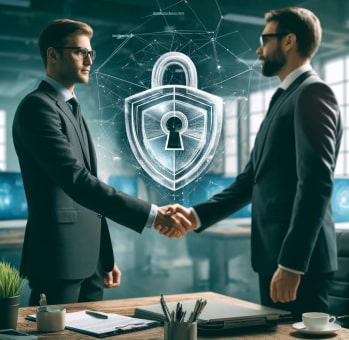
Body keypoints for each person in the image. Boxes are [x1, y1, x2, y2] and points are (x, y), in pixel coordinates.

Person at [158, 7, 343, 319]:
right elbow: (250, 181)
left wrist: (292, 263)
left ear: (289, 42)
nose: (258, 49)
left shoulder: (313, 93)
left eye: (265, 39)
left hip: (298, 262)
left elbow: (316, 184)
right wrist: (195, 215)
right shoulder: (284, 97)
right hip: (275, 257)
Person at [12, 18, 191, 306]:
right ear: (53, 55)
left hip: (89, 261)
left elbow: (89, 191)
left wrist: (104, 257)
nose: (89, 60)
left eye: (90, 53)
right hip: (58, 260)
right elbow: (77, 181)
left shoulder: (72, 108)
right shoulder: (38, 108)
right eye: (79, 52)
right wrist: (153, 214)